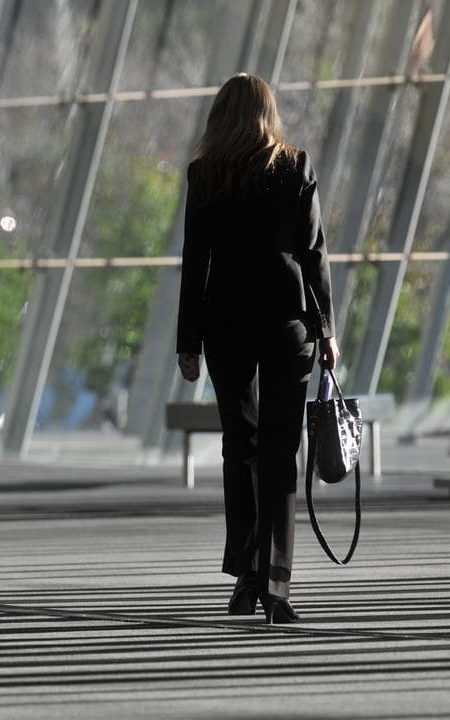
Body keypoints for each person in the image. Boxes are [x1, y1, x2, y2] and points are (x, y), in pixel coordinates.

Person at [176, 73, 339, 625]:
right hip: (285, 325)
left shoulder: (206, 175)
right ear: (269, 113)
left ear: (220, 115)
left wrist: (188, 341)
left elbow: (194, 261)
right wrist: (328, 330)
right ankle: (277, 584)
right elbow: (313, 253)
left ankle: (245, 577)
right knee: (279, 453)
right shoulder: (294, 168)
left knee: (239, 447)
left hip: (226, 326)